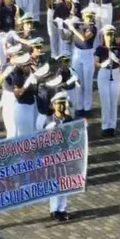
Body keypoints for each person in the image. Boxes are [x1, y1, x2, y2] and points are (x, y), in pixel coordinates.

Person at [43, 91, 75, 221]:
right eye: (58, 104)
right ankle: (54, 209)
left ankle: (62, 209)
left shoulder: (68, 119)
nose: (61, 106)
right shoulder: (49, 120)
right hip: (53, 155)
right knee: (55, 183)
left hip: (65, 154)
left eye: (63, 103)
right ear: (53, 105)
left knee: (65, 183)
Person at [94, 24, 120, 137]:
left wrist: (118, 59)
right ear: (104, 36)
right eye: (107, 35)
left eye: (111, 35)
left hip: (115, 73)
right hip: (104, 73)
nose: (110, 37)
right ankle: (105, 126)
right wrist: (102, 63)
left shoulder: (118, 48)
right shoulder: (100, 49)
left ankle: (112, 126)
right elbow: (95, 63)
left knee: (114, 101)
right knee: (105, 101)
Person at [69, 7, 98, 116]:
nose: (88, 18)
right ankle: (79, 107)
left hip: (87, 54)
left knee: (87, 83)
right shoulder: (78, 24)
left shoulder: (93, 27)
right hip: (77, 53)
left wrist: (72, 28)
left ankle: (87, 108)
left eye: (90, 16)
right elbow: (66, 36)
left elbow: (84, 38)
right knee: (78, 81)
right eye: (86, 16)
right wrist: (67, 24)